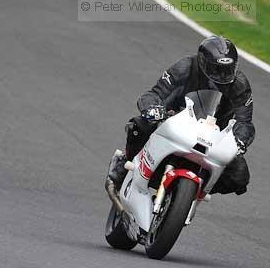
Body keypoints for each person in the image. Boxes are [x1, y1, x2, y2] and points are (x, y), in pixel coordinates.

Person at [106, 35, 255, 197]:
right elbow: (155, 94)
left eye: (228, 69)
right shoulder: (185, 68)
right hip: (174, 122)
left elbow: (245, 122)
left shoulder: (240, 85)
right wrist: (153, 109)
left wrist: (240, 140)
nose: (223, 75)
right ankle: (126, 164)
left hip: (213, 137)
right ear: (202, 62)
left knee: (239, 176)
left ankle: (194, 192)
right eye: (217, 69)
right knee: (140, 126)